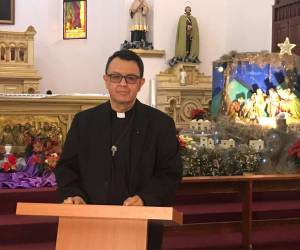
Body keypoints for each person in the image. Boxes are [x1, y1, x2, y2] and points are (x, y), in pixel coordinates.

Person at [54, 49, 183, 250]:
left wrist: (145, 199)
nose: (122, 84)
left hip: (141, 223)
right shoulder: (84, 122)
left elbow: (170, 174)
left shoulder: (160, 124)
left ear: (140, 83)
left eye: (130, 78)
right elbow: (66, 168)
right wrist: (74, 194)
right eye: (116, 77)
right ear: (106, 80)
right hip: (88, 220)